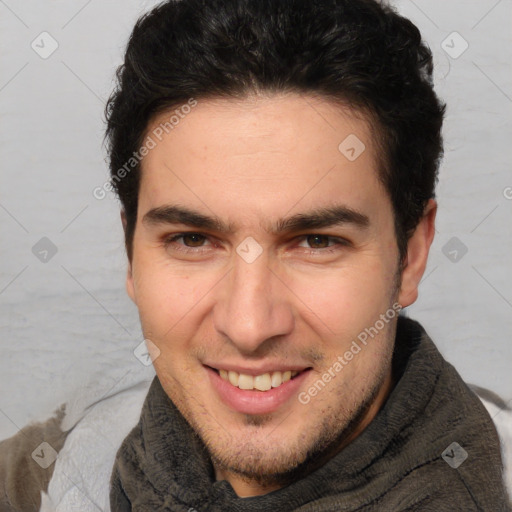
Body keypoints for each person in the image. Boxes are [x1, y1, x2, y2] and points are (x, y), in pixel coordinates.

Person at [1, 0, 510, 510]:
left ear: (412, 254)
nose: (249, 326)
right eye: (192, 240)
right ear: (130, 254)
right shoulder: (30, 481)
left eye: (316, 241)